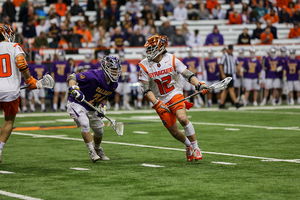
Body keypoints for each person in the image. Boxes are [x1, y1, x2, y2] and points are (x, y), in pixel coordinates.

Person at [139, 35, 211, 161]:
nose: (149, 51)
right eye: (148, 48)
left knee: (183, 119)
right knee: (174, 132)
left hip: (175, 94)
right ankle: (188, 145)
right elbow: (146, 89)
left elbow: (187, 74)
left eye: (151, 48)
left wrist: (199, 84)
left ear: (160, 48)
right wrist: (156, 103)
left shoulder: (171, 59)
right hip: (160, 100)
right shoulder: (144, 65)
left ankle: (196, 147)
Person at [67, 55, 121, 162]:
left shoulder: (114, 84)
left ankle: (98, 149)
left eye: (117, 70)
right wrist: (75, 89)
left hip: (91, 106)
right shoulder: (93, 75)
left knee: (99, 131)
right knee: (85, 123)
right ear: (105, 68)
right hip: (77, 102)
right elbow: (71, 77)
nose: (115, 72)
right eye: (113, 69)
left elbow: (104, 96)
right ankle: (91, 151)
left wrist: (102, 106)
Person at [0, 24, 39, 163]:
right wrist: (29, 80)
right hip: (10, 91)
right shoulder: (14, 46)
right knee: (9, 120)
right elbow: (21, 64)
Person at [218, 44, 243, 109]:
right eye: (230, 49)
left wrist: (239, 71)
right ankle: (236, 103)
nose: (231, 50)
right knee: (230, 89)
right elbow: (221, 65)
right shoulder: (225, 56)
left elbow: (237, 65)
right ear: (228, 49)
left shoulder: (234, 56)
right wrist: (222, 73)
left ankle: (222, 104)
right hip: (226, 74)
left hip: (231, 74)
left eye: (231, 49)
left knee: (226, 90)